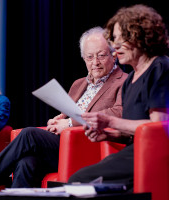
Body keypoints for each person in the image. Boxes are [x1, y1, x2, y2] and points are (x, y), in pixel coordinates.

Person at [0, 27, 127, 193]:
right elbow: (68, 113)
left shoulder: (122, 81)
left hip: (88, 145)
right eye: (89, 57)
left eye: (101, 55)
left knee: (29, 134)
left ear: (112, 54)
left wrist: (70, 123)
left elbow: (118, 113)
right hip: (62, 144)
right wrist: (58, 119)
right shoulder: (78, 84)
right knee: (27, 162)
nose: (95, 62)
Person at [68, 4, 169, 191]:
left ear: (142, 38)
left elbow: (159, 129)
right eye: (114, 40)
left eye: (122, 40)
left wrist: (110, 121)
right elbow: (133, 131)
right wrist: (108, 134)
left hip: (153, 154)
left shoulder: (159, 67)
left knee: (79, 180)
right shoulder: (131, 79)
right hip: (134, 150)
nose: (115, 47)